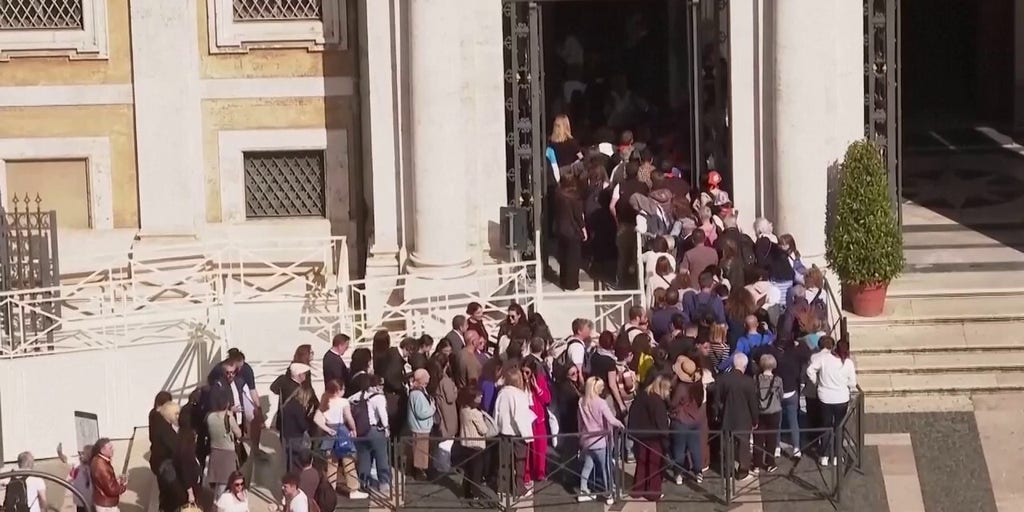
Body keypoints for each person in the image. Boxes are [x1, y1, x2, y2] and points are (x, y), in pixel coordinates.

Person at [807, 337, 857, 467]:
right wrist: (844, 384)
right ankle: (836, 455)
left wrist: (817, 382)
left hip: (825, 397)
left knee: (826, 426)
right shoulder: (848, 363)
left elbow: (810, 370)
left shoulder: (824, 358)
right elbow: (853, 383)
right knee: (839, 427)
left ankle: (824, 455)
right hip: (841, 398)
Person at [577, 376, 622, 504]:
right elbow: (611, 419)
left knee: (587, 466)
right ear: (596, 388)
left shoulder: (581, 401)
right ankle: (609, 493)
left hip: (587, 439)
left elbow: (580, 422)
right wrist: (620, 424)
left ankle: (583, 490)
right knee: (605, 467)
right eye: (601, 387)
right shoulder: (601, 402)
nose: (603, 389)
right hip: (600, 440)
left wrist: (580, 436)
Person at [714, 353, 759, 482]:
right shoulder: (749, 382)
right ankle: (742, 471)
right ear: (744, 366)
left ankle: (727, 471)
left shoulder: (722, 379)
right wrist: (755, 419)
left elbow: (717, 400)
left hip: (726, 415)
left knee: (726, 445)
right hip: (744, 418)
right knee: (743, 446)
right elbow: (753, 403)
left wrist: (716, 414)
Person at [318, 380, 365, 499]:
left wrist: (327, 429)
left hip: (329, 433)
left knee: (331, 464)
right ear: (338, 390)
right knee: (348, 461)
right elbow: (348, 417)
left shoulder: (324, 401)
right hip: (341, 431)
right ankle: (353, 489)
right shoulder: (343, 402)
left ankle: (330, 490)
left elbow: (316, 418)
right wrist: (353, 429)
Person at [493, 366, 535, 498]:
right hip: (517, 434)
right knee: (520, 462)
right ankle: (519, 488)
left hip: (503, 433)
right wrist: (527, 435)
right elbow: (520, 417)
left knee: (504, 462)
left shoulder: (501, 393)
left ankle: (503, 487)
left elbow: (496, 413)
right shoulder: (519, 395)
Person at [627, 374, 671, 501]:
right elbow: (661, 423)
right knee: (654, 465)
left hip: (640, 436)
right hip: (654, 438)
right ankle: (653, 492)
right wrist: (666, 440)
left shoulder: (641, 396)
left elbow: (632, 414)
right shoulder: (658, 402)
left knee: (641, 463)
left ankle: (638, 489)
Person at [351, 375, 392, 494]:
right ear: (375, 386)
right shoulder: (378, 398)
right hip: (374, 430)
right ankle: (384, 483)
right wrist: (386, 428)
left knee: (364, 458)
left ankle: (364, 483)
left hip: (361, 431)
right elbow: (383, 414)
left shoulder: (358, 395)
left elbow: (348, 401)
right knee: (381, 456)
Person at [669, 355, 705, 485]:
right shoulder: (698, 385)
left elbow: (673, 403)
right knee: (695, 447)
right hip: (695, 419)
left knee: (679, 448)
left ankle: (678, 473)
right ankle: (698, 472)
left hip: (681, 421)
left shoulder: (681, 388)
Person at [151, 401, 190, 511]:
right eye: (176, 413)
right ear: (169, 414)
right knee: (179, 496)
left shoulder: (162, 426)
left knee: (167, 495)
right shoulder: (165, 430)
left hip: (161, 465)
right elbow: (176, 449)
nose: (178, 416)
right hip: (166, 466)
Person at [457, 385, 493, 500]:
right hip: (476, 445)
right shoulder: (475, 413)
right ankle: (475, 494)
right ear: (472, 398)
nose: (481, 396)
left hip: (465, 444)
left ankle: (466, 492)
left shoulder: (463, 409)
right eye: (478, 395)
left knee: (467, 470)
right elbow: (484, 430)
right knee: (477, 472)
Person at [522, 358, 552, 485]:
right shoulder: (519, 381)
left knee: (540, 446)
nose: (524, 375)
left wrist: (537, 387)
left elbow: (547, 399)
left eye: (527, 372)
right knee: (527, 448)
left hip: (538, 418)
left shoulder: (539, 380)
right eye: (522, 372)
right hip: (525, 418)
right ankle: (527, 474)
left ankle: (540, 472)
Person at [554, 172, 586, 291]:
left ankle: (563, 281)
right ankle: (572, 285)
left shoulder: (558, 195)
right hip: (573, 231)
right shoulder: (575, 197)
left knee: (563, 257)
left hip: (561, 229)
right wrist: (584, 231)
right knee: (573, 259)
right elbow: (579, 217)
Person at [207, 393, 242, 496]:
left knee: (217, 482)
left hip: (214, 451)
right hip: (227, 453)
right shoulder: (229, 418)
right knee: (225, 483)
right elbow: (238, 434)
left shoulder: (210, 417)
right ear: (227, 404)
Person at [753, 354, 784, 473]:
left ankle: (757, 463)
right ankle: (770, 463)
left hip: (759, 411)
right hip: (774, 411)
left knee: (758, 438)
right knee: (771, 438)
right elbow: (781, 395)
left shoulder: (756, 379)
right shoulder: (777, 380)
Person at [89, 438, 127, 512]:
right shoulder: (102, 467)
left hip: (102, 501)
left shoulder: (97, 460)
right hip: (107, 506)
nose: (113, 449)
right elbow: (111, 490)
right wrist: (123, 486)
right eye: (110, 448)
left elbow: (104, 482)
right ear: (102, 450)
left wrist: (116, 481)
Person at [57, 443, 93, 512]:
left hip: (91, 500)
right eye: (81, 453)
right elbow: (64, 459)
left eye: (83, 453)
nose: (81, 455)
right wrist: (59, 452)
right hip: (80, 499)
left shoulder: (94, 466)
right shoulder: (77, 463)